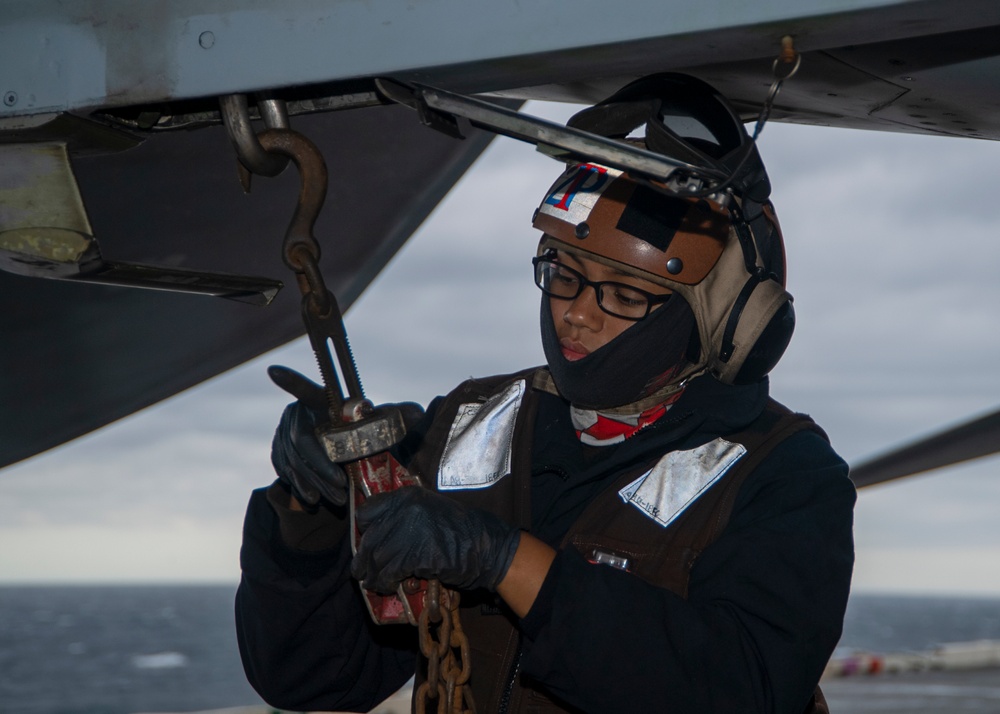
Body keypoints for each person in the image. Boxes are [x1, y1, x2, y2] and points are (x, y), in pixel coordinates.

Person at [235, 74, 855, 714]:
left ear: (723, 317)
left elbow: (741, 689)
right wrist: (311, 513)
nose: (577, 317)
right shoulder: (465, 427)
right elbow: (311, 679)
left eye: (624, 294)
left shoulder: (786, 476)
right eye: (563, 275)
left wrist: (505, 561)